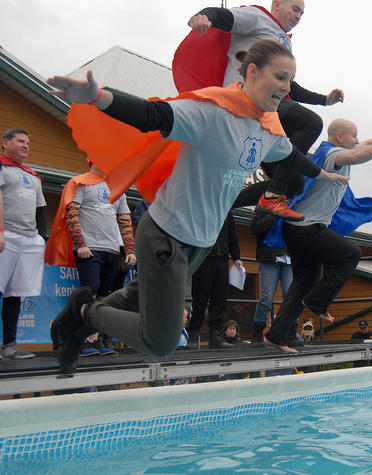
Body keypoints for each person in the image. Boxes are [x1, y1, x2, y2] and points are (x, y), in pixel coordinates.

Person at [47, 39, 349, 373]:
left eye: (290, 80)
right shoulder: (212, 111)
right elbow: (153, 114)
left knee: (136, 295)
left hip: (200, 243)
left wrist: (322, 173)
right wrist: (98, 98)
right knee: (159, 342)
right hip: (166, 234)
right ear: (252, 71)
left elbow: (291, 156)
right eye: (280, 76)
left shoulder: (267, 127)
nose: (286, 87)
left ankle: (75, 333)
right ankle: (85, 312)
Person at [181, 1, 345, 220]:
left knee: (294, 182)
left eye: (302, 14)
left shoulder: (285, 42)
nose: (298, 17)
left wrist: (324, 100)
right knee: (310, 123)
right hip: (243, 100)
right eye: (295, 9)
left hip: (262, 119)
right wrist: (204, 16)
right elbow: (224, 16)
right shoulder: (259, 19)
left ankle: (225, 206)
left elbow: (289, 88)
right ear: (277, 5)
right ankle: (273, 194)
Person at [263, 118, 372, 353]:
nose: (357, 140)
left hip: (299, 227)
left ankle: (277, 334)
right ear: (339, 137)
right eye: (353, 136)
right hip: (305, 229)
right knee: (350, 254)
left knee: (304, 283)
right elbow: (356, 156)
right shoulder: (332, 154)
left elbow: (367, 144)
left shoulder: (339, 147)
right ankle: (318, 302)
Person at [46, 160, 137, 357]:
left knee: (105, 296)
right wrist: (80, 243)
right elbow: (72, 213)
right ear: (93, 160)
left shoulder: (118, 188)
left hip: (112, 250)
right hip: (91, 249)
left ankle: (95, 338)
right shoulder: (81, 182)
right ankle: (79, 339)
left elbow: (124, 220)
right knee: (90, 293)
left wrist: (130, 250)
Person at [0, 128, 47, 359]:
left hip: (28, 240)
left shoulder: (33, 175)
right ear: (5, 143)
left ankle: (9, 345)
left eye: (28, 142)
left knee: (14, 294)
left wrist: (41, 238)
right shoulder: (1, 167)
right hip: (5, 235)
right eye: (20, 141)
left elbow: (41, 210)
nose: (26, 145)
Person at [187, 214, 242, 349]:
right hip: (202, 259)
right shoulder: (201, 208)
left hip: (222, 259)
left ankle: (216, 335)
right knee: (200, 299)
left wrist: (236, 257)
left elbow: (232, 235)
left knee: (220, 300)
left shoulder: (227, 211)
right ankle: (193, 334)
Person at [249, 210, 293, 343]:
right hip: (269, 257)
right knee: (267, 297)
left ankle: (290, 331)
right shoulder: (263, 207)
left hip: (290, 258)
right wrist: (275, 215)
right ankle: (258, 329)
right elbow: (256, 228)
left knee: (291, 296)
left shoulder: (294, 205)